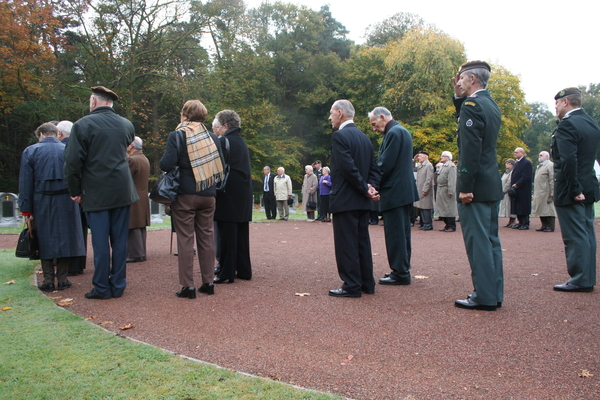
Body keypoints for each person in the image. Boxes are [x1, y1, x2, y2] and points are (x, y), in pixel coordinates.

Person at [64, 86, 139, 300]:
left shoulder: (82, 125)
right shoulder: (126, 125)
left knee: (100, 242)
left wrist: (75, 190)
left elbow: (72, 162)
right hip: (122, 191)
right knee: (119, 241)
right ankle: (118, 285)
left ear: (94, 101)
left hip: (96, 192)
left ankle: (101, 287)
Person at [451, 61, 503, 311]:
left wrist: (465, 186)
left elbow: (470, 150)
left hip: (476, 186)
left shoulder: (472, 105)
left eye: (461, 78)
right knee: (491, 241)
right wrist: (458, 97)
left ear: (472, 78)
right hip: (490, 182)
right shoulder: (489, 103)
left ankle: (483, 296)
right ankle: (493, 293)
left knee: (478, 243)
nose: (458, 82)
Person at [160, 100, 224, 298]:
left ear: (185, 115)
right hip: (208, 194)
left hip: (185, 194)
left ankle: (188, 286)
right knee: (206, 239)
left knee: (186, 240)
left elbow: (166, 164)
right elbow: (221, 163)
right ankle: (208, 282)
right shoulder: (212, 137)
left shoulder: (178, 135)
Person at [19, 123, 86, 292]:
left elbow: (26, 183)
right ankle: (63, 279)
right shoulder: (68, 149)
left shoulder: (31, 151)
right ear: (56, 133)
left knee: (44, 238)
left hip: (42, 200)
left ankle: (48, 279)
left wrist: (26, 210)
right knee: (66, 238)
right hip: (67, 199)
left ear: (41, 134)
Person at [328, 100, 381, 298]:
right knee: (361, 242)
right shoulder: (365, 138)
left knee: (346, 244)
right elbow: (374, 168)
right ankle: (367, 282)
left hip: (346, 199)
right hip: (361, 200)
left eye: (331, 113)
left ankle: (351, 285)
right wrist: (370, 187)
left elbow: (347, 168)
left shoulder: (340, 136)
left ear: (340, 113)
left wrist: (364, 188)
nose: (330, 117)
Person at [551, 87, 600, 292]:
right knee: (587, 233)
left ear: (565, 102)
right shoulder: (591, 123)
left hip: (572, 187)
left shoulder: (567, 125)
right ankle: (586, 277)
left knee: (574, 235)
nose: (555, 107)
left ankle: (580, 278)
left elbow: (569, 160)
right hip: (588, 183)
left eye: (556, 103)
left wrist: (574, 188)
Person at [368, 107, 419, 286]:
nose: (374, 128)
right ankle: (401, 268)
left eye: (374, 124)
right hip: (403, 191)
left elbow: (385, 165)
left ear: (382, 117)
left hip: (395, 192)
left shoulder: (393, 133)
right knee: (403, 233)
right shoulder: (402, 131)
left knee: (395, 234)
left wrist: (371, 184)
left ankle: (400, 272)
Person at [213, 109, 253, 284]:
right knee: (241, 233)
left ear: (225, 126)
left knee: (226, 234)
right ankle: (243, 269)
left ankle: (226, 271)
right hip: (243, 192)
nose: (215, 127)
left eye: (217, 124)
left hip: (228, 192)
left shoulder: (224, 141)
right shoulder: (241, 142)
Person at [57, 120, 88, 276]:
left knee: (68, 229)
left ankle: (70, 265)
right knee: (80, 229)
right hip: (83, 192)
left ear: (60, 133)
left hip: (71, 193)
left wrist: (74, 191)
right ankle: (79, 263)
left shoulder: (66, 147)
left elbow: (72, 169)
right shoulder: (82, 145)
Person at [125, 136, 151, 263]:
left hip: (133, 196)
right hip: (142, 196)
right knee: (140, 227)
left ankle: (135, 253)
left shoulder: (131, 160)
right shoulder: (144, 158)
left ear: (131, 145)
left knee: (132, 226)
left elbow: (124, 179)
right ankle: (140, 252)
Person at [532, 151, 556, 232]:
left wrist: (552, 193)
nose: (539, 156)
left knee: (549, 210)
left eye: (541, 155)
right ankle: (544, 225)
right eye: (539, 155)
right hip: (539, 191)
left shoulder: (550, 165)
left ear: (547, 156)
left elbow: (552, 179)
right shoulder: (540, 166)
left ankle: (550, 226)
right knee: (541, 209)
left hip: (546, 191)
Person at [435, 151, 458, 232]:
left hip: (446, 189)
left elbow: (452, 180)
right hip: (441, 189)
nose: (441, 157)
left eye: (443, 156)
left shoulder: (451, 166)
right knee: (443, 208)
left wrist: (450, 191)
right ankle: (447, 224)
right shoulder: (445, 166)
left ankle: (451, 225)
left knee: (449, 208)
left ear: (448, 157)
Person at [510, 147, 533, 230]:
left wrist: (517, 184)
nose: (515, 153)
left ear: (522, 153)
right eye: (514, 152)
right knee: (517, 206)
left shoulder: (526, 163)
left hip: (523, 189)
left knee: (523, 206)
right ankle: (520, 222)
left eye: (516, 152)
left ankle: (525, 223)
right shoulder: (517, 163)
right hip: (516, 189)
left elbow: (526, 176)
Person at [413, 151, 434, 231]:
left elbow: (429, 179)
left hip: (425, 190)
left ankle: (428, 224)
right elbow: (414, 169)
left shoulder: (428, 165)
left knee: (426, 208)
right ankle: (424, 223)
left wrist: (425, 189)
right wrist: (414, 161)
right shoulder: (421, 165)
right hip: (420, 188)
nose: (419, 158)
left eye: (420, 156)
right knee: (421, 207)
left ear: (425, 157)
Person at [499, 159, 517, 227]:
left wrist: (504, 190)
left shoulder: (512, 172)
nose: (506, 164)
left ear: (511, 164)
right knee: (507, 207)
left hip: (509, 192)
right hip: (505, 192)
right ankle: (510, 221)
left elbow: (509, 182)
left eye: (507, 163)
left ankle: (513, 221)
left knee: (510, 206)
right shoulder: (506, 172)